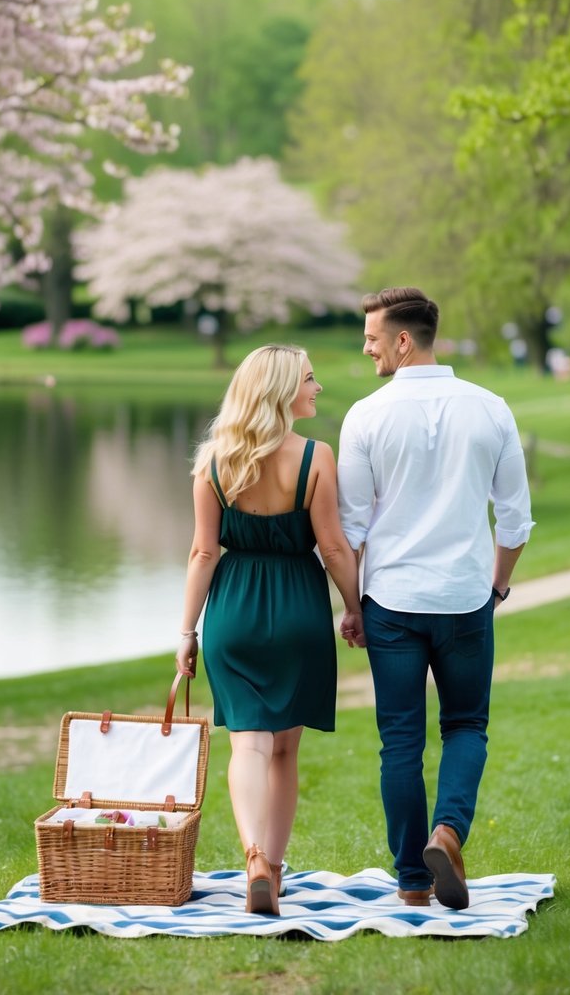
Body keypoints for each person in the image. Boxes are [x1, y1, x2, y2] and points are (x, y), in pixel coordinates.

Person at [337, 287, 534, 910]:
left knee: (400, 741)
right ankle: (447, 833)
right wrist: (497, 585)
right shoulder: (491, 408)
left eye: (372, 337)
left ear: (403, 339)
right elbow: (515, 520)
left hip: (392, 602)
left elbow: (349, 531)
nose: (366, 347)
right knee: (466, 726)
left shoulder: (365, 416)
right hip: (463, 598)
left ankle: (412, 883)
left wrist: (351, 603)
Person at [175, 344, 364, 916]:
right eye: (310, 379)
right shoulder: (315, 457)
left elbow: (203, 552)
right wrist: (354, 608)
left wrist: (187, 631)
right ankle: (274, 872)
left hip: (233, 610)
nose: (317, 388)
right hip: (298, 610)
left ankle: (254, 858)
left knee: (247, 745)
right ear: (281, 390)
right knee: (285, 749)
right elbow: (332, 545)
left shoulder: (214, 462)